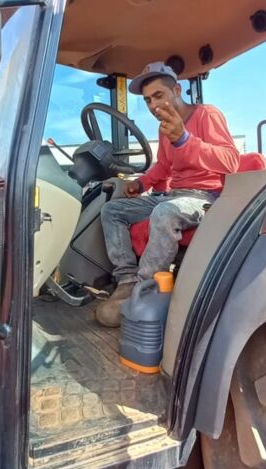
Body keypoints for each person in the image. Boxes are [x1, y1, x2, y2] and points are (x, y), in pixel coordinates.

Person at [96, 62, 240, 327]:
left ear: (177, 90)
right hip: (174, 194)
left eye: (158, 95)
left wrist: (185, 140)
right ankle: (127, 280)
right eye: (148, 100)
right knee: (112, 210)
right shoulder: (165, 128)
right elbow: (164, 166)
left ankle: (145, 289)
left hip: (205, 197)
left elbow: (231, 161)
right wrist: (141, 184)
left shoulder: (206, 114)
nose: (152, 105)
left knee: (165, 212)